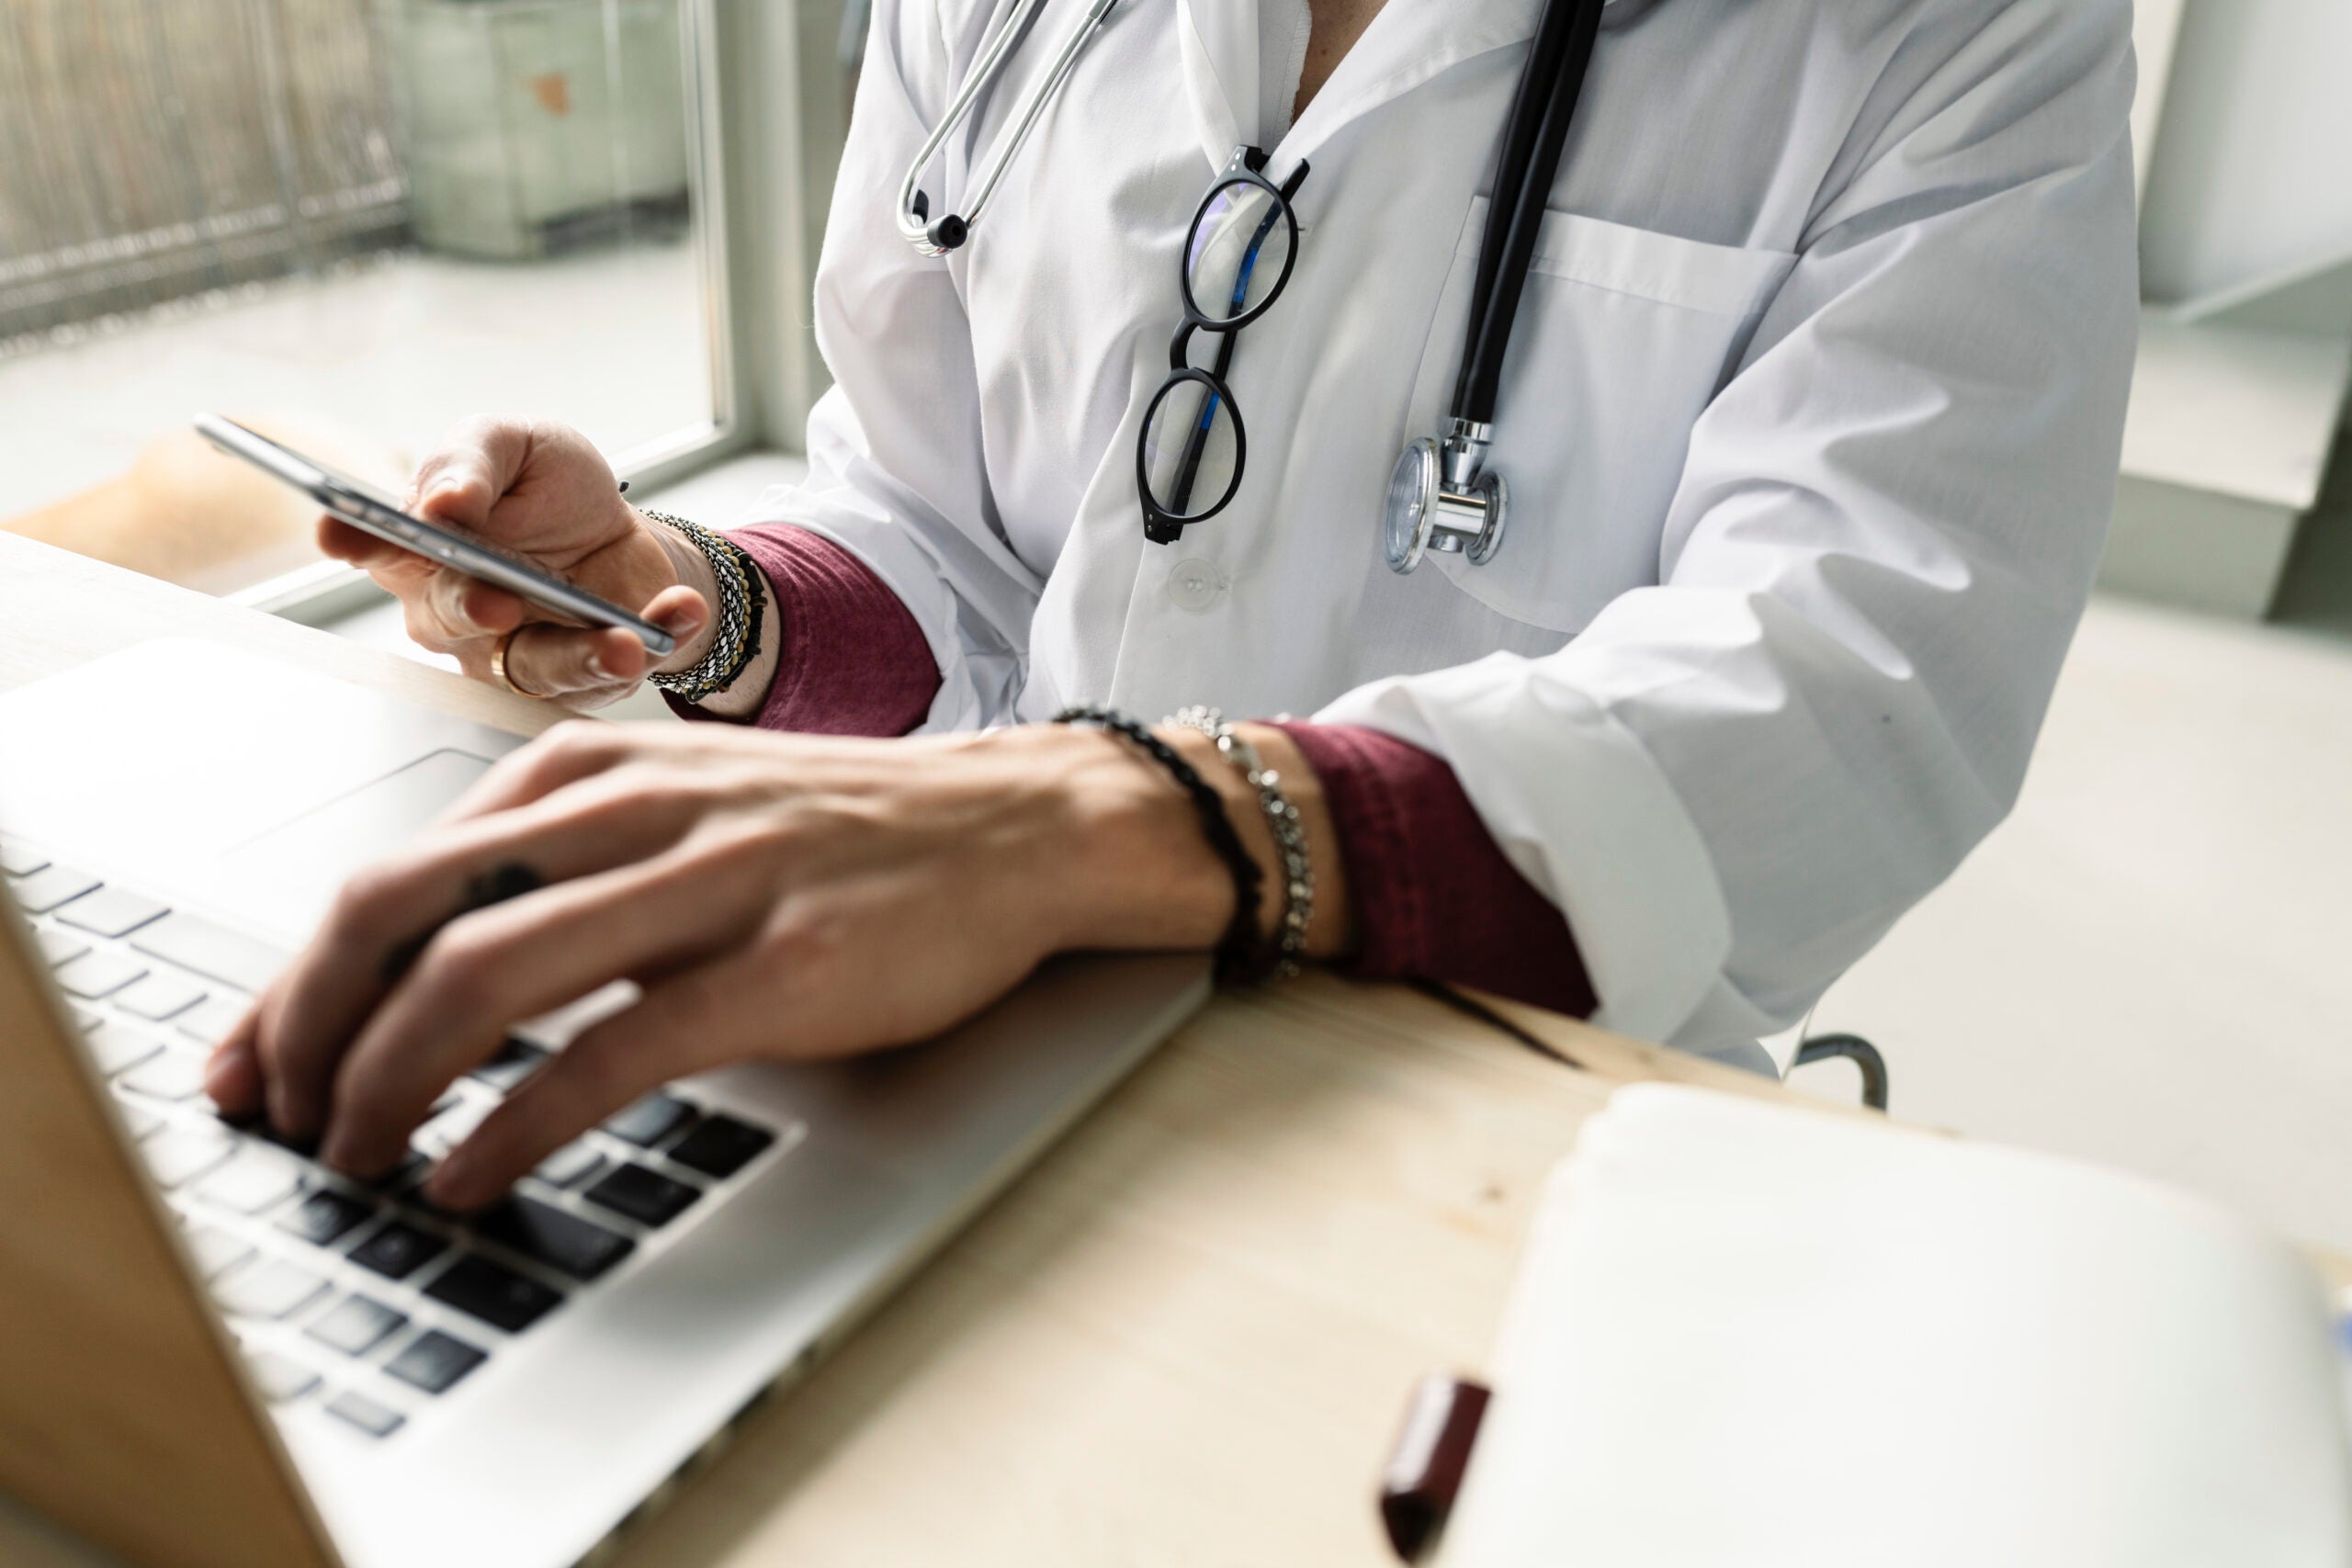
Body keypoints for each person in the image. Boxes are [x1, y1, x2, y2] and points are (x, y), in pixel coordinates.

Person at [206, 0, 2139, 1210]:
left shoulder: (1954, 31)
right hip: (985, 994)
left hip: (1475, 1086)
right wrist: (689, 597)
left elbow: (1864, 679)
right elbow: (937, 520)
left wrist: (1140, 820)